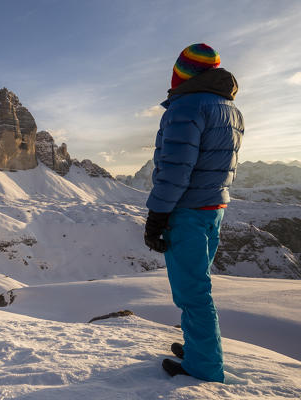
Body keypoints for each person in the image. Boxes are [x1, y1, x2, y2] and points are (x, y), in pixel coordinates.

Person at [144, 43, 244, 382]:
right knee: (198, 286)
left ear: (182, 74)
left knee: (191, 292)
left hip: (186, 210)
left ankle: (203, 367)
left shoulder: (185, 107)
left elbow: (175, 169)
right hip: (215, 207)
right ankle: (199, 348)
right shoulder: (230, 109)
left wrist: (157, 216)